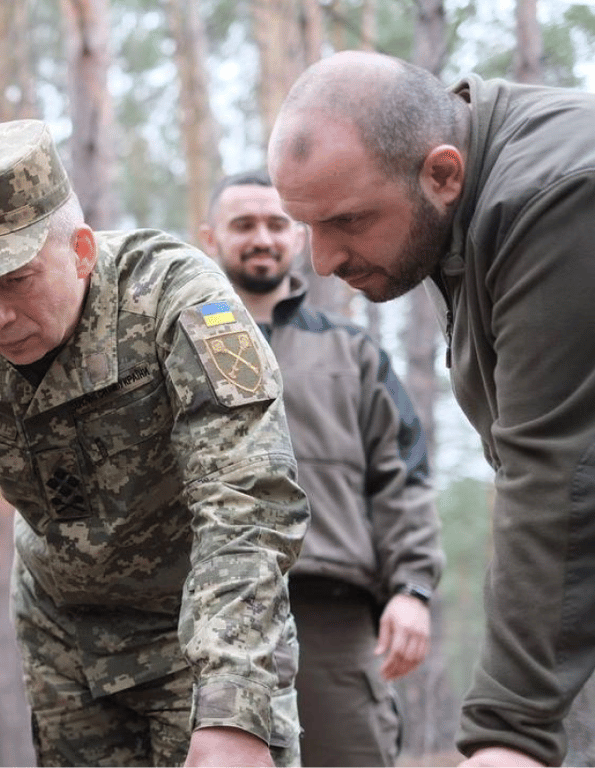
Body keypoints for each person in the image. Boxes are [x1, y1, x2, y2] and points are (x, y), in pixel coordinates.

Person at [0, 119, 309, 768]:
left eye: (18, 280)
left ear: (81, 249)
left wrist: (232, 704)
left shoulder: (170, 298)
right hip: (62, 635)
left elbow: (246, 501)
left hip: (203, 626)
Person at [267, 49, 595, 768]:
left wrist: (510, 733)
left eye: (346, 220)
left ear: (442, 173)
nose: (320, 261)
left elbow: (563, 471)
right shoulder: (464, 209)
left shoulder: (567, 191)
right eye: (307, 226)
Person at [200, 170, 444, 767]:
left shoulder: (350, 350)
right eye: (243, 225)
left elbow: (401, 476)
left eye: (277, 224)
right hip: (206, 621)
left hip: (332, 617)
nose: (262, 238)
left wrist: (411, 589)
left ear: (298, 234)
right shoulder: (178, 346)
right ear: (211, 239)